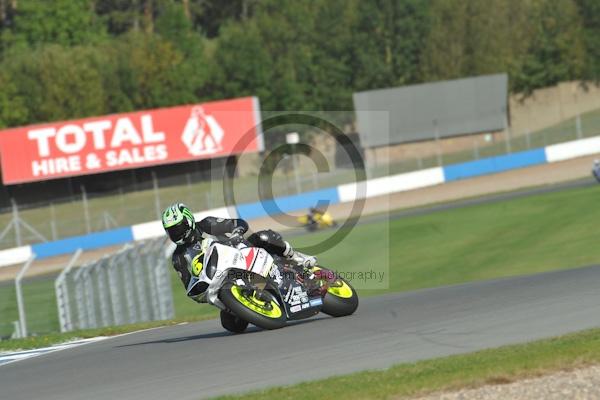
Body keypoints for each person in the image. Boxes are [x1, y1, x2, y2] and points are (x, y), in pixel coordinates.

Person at [161, 202, 317, 303]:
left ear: (189, 221)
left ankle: (296, 258)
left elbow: (238, 223)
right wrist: (202, 293)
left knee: (264, 237)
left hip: (242, 253)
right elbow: (190, 286)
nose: (176, 234)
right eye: (171, 231)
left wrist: (236, 232)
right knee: (230, 323)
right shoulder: (178, 258)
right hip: (223, 280)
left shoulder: (207, 225)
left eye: (178, 228)